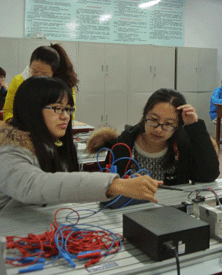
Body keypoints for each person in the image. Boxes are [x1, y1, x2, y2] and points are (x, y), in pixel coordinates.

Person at [0, 76, 161, 211]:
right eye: (57, 108)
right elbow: (36, 185)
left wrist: (124, 188)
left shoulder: (51, 146)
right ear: (31, 109)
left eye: (68, 109)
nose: (66, 116)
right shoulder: (8, 151)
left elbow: (62, 192)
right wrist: (114, 185)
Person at [87, 88, 220, 185]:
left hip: (174, 211)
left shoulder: (182, 145)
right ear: (145, 115)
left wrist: (194, 126)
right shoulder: (122, 146)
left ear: (178, 126)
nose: (158, 129)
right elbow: (108, 189)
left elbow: (208, 176)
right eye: (154, 120)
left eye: (168, 124)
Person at [3, 44, 78, 122]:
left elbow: (69, 115)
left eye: (45, 74)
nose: (38, 77)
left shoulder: (63, 86)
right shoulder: (19, 81)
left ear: (54, 73)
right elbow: (8, 112)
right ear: (30, 66)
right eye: (34, 71)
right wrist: (17, 124)